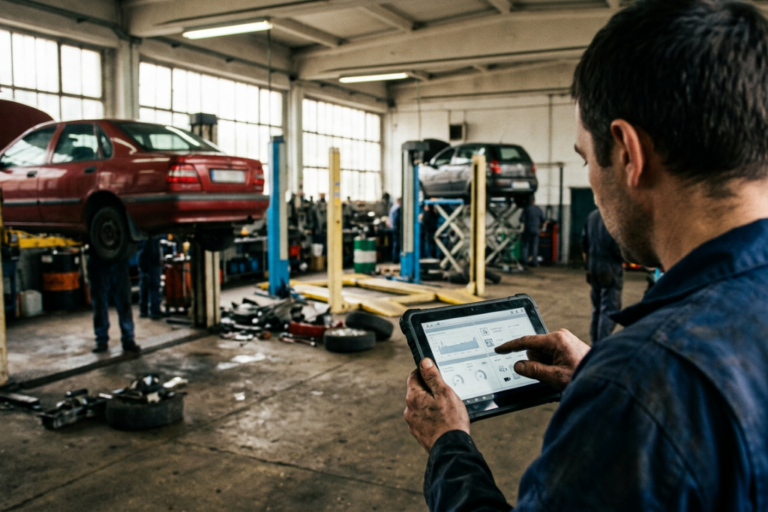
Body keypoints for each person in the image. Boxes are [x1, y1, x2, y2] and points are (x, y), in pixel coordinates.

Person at [404, 1, 768, 510]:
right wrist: (597, 371)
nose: (591, 184)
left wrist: (449, 445)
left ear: (627, 152)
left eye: (585, 159)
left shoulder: (640, 381)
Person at [581, 208, 624, 341]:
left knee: (597, 308)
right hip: (610, 268)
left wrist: (588, 267)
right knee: (609, 310)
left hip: (593, 268)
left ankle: (595, 343)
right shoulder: (614, 216)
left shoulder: (592, 216)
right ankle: (601, 345)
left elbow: (584, 245)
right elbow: (619, 248)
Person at [88, 252, 140, 354]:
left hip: (119, 258)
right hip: (98, 258)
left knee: (124, 302)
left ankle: (128, 339)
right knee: (100, 303)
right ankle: (101, 340)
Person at [138, 236, 163, 320]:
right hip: (152, 260)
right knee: (154, 285)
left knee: (144, 284)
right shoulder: (153, 232)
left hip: (144, 258)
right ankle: (154, 311)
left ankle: (144, 310)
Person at [520, 198, 544, 268]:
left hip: (527, 229)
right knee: (535, 246)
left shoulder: (526, 209)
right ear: (534, 201)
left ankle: (525, 262)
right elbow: (543, 219)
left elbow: (521, 219)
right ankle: (534, 262)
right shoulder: (538, 209)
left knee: (525, 245)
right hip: (536, 230)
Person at [390, 197, 402, 263]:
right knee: (397, 244)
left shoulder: (393, 208)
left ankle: (395, 259)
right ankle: (395, 259)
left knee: (395, 244)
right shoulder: (397, 209)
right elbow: (396, 220)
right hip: (396, 229)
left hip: (394, 228)